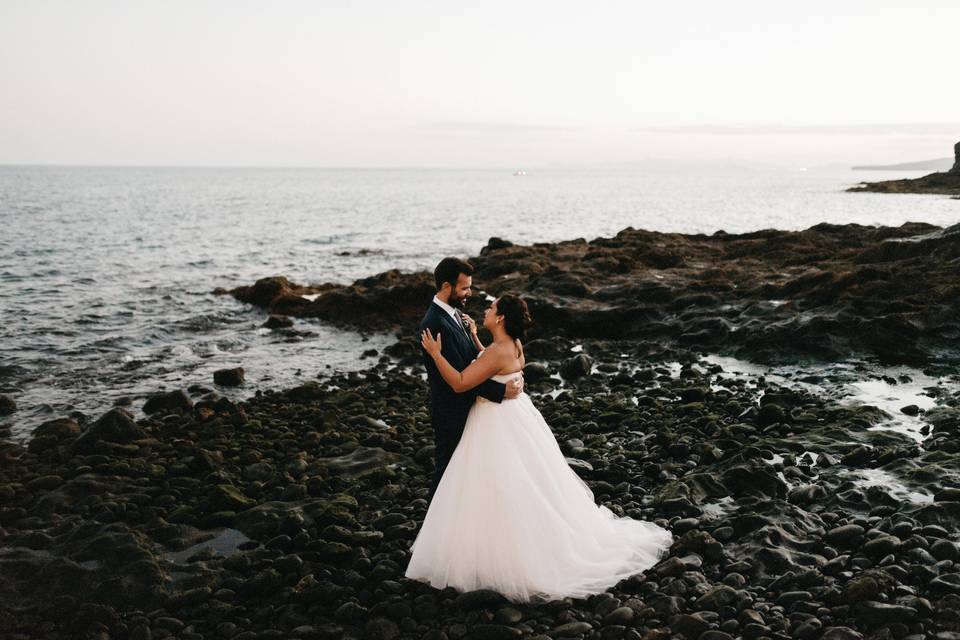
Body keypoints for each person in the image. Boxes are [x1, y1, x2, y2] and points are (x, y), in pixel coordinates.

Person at [405, 293, 673, 603]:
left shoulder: (498, 351)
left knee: (495, 484)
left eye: (491, 309)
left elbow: (461, 383)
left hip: (494, 422)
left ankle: (497, 553)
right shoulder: (514, 346)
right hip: (517, 416)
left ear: (501, 317)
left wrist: (436, 354)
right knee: (526, 480)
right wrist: (477, 339)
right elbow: (492, 364)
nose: (486, 311)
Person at [419, 257, 523, 503]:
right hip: (451, 410)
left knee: (466, 471)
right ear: (447, 286)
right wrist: (500, 390)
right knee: (447, 471)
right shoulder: (434, 324)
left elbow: (477, 361)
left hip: (470, 406)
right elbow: (459, 378)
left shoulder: (455, 313)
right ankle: (435, 525)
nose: (469, 293)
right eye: (464, 288)